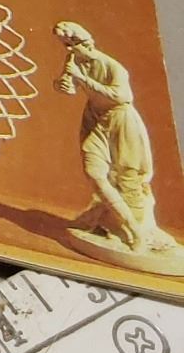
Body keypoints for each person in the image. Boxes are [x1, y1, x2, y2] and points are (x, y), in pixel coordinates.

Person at [54, 21, 176, 254]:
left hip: (121, 120)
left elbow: (121, 96)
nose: (68, 50)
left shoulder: (113, 67)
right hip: (95, 118)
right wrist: (63, 84)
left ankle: (136, 231)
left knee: (128, 178)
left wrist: (83, 78)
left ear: (86, 44)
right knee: (94, 172)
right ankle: (130, 227)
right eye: (65, 45)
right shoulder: (75, 61)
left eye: (72, 44)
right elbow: (70, 88)